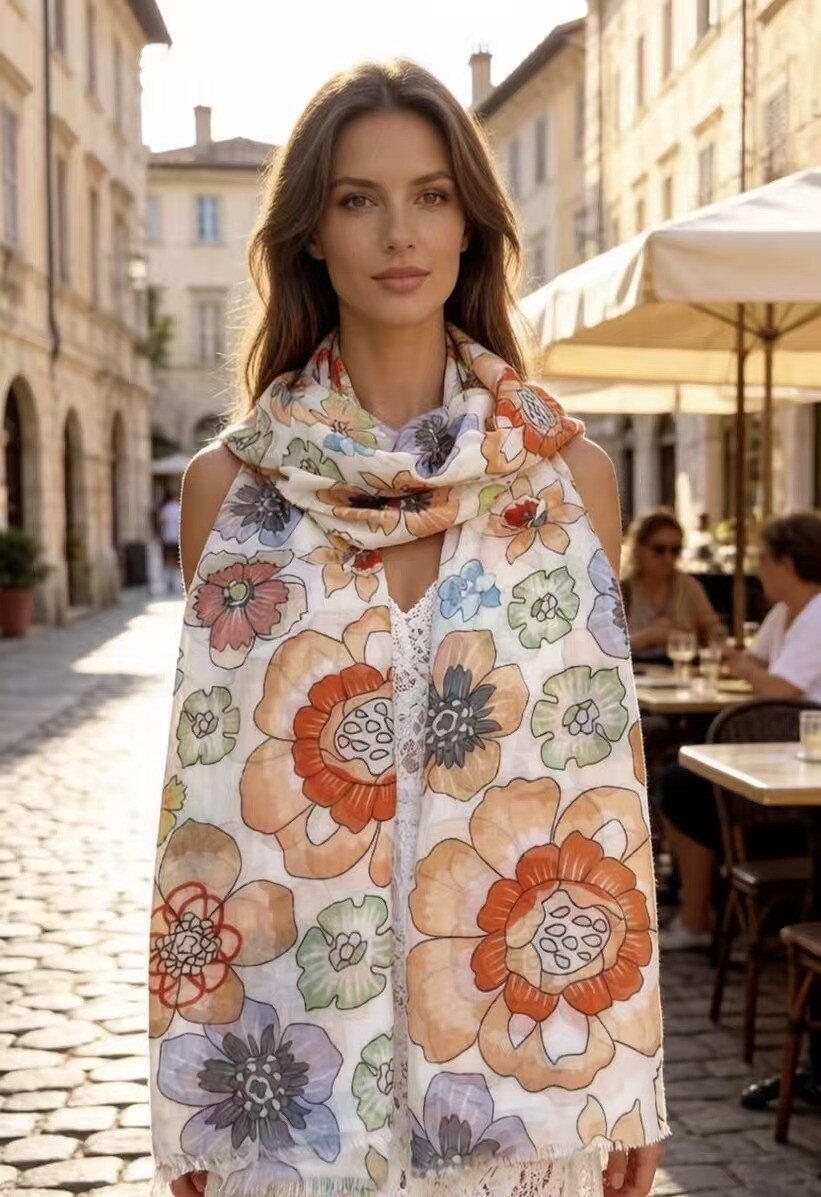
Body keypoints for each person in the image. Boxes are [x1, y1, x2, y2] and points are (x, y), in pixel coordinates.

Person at [149, 60, 667, 1197]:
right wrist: (197, 1088)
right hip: (289, 1093)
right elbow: (207, 821)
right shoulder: (226, 494)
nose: (399, 231)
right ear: (311, 235)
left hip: (533, 1079)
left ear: (471, 227)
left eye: (431, 195)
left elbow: (603, 797)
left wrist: (627, 1069)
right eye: (356, 198)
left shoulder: (570, 478)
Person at [657, 510, 821, 951]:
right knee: (679, 777)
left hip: (796, 779)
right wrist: (746, 665)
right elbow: (754, 665)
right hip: (782, 760)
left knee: (678, 785)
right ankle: (705, 904)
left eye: (763, 560)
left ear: (786, 564)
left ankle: (698, 917)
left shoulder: (817, 615)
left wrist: (746, 666)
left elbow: (775, 685)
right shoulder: (787, 614)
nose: (757, 571)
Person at [623, 510, 720, 659]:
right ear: (639, 549)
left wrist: (681, 637)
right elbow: (604, 647)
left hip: (682, 674)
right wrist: (650, 636)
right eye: (659, 550)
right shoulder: (622, 589)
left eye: (675, 550)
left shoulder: (689, 588)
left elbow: (715, 637)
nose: (668, 558)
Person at [157, 487, 182, 595]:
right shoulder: (179, 508)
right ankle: (177, 583)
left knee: (168, 560)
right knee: (178, 561)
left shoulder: (166, 508)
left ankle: (169, 582)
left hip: (167, 537)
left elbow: (161, 522)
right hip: (177, 538)